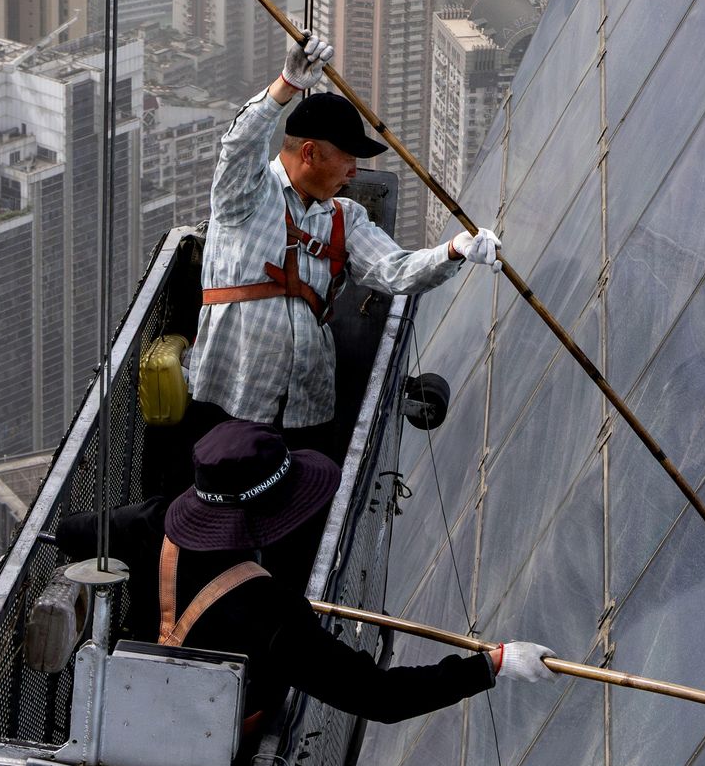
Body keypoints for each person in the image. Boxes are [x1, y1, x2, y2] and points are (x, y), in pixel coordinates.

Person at [57, 419, 552, 744]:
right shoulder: (273, 617)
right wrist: (492, 665)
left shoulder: (154, 523)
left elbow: (73, 530)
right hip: (206, 747)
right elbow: (378, 697)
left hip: (115, 718)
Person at [185, 31, 504, 456]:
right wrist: (287, 86)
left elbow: (395, 270)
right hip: (231, 396)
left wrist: (453, 250)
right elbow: (239, 146)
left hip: (305, 410)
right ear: (311, 153)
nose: (354, 172)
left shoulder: (345, 218)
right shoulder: (246, 197)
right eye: (348, 158)